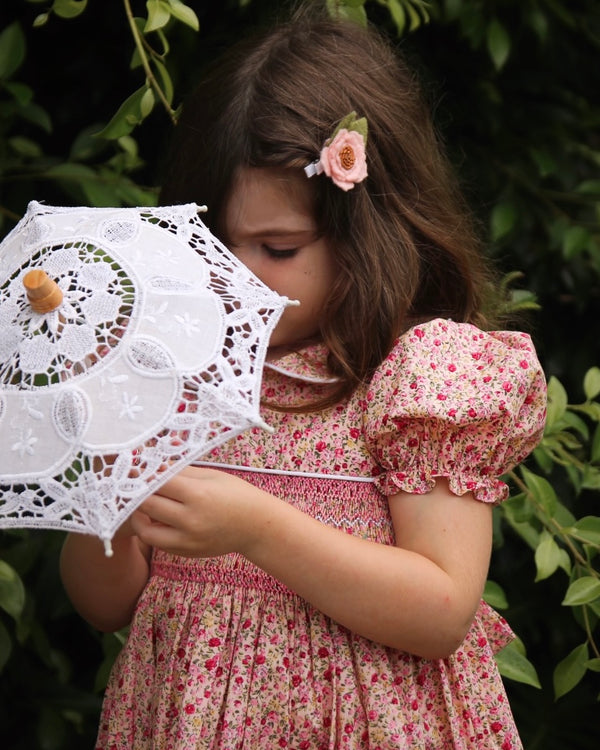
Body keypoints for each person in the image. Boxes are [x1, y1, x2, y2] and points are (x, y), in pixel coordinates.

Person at [60, 5, 547, 749]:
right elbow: (109, 605)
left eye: (277, 248)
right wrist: (109, 494)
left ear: (368, 229)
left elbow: (441, 611)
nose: (238, 281)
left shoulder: (419, 376)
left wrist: (257, 526)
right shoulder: (173, 370)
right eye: (217, 248)